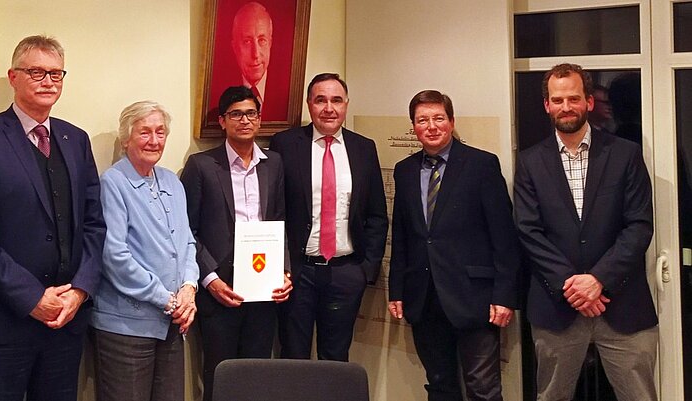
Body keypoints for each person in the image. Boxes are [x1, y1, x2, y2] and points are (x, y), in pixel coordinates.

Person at [0, 35, 105, 401]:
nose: (48, 81)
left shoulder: (76, 139)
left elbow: (94, 224)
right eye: (36, 72)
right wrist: (32, 298)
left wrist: (80, 291)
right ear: (13, 77)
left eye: (56, 73)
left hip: (65, 322)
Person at [514, 63, 657, 401]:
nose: (566, 107)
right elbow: (528, 231)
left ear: (589, 102)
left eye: (574, 98)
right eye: (558, 100)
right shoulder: (530, 162)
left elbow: (639, 225)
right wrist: (572, 285)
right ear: (547, 105)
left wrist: (598, 280)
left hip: (622, 303)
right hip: (556, 306)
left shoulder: (625, 154)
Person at [387, 90, 520, 401]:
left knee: (483, 389)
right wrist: (396, 289)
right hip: (424, 297)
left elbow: (504, 236)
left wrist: (505, 295)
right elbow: (403, 235)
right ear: (413, 126)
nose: (431, 126)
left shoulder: (481, 164)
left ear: (451, 121)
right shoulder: (404, 171)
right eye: (423, 120)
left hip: (475, 298)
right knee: (439, 386)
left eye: (438, 118)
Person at [181, 86, 293, 400]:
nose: (244, 121)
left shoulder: (274, 163)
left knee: (256, 378)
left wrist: (284, 271)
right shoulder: (201, 165)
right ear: (222, 121)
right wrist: (210, 280)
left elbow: (280, 221)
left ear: (259, 119)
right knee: (220, 377)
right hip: (220, 290)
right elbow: (187, 230)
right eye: (236, 114)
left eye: (251, 113)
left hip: (263, 289)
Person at [269, 73, 388, 361]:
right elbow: (274, 210)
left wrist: (365, 270)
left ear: (346, 104)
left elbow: (376, 214)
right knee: (293, 356)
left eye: (336, 100)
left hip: (345, 272)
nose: (329, 108)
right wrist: (279, 266)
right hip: (297, 273)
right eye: (320, 100)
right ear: (309, 104)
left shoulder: (364, 147)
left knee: (336, 358)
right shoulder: (285, 144)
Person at [90, 101, 199, 401]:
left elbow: (188, 243)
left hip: (173, 322)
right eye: (144, 132)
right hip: (126, 327)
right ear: (126, 139)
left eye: (160, 132)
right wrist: (166, 299)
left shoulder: (172, 182)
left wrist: (189, 289)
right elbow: (114, 256)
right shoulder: (113, 183)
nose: (154, 140)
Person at [229, 1, 286, 120]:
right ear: (235, 47)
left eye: (262, 40)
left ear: (270, 43)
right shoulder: (220, 89)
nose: (255, 54)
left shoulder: (286, 91)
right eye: (247, 41)